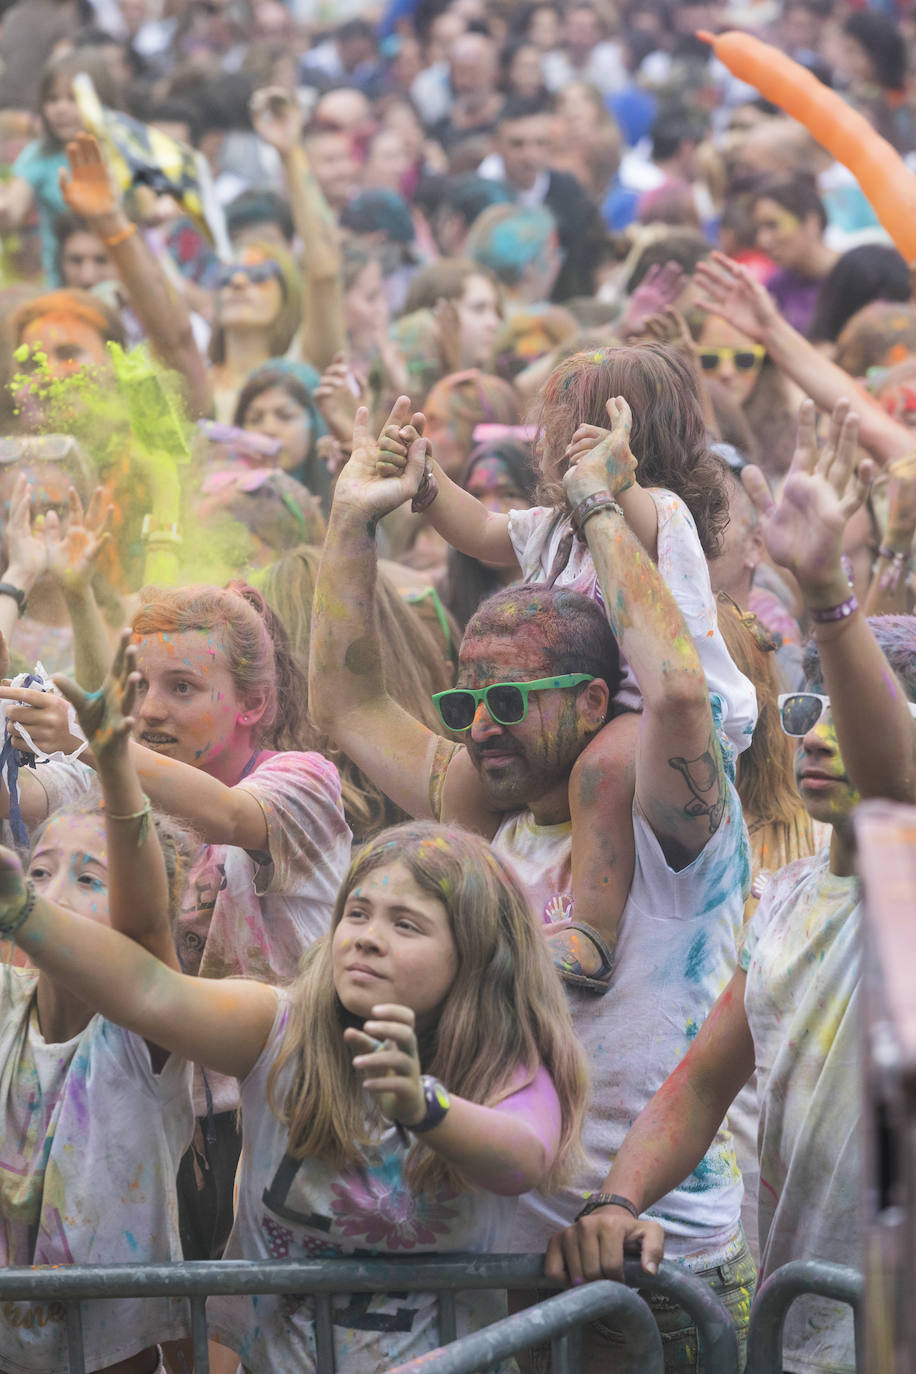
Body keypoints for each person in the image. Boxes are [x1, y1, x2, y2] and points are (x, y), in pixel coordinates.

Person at [310, 399, 755, 1363]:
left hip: (656, 1261)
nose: (479, 724)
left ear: (593, 699)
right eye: (467, 699)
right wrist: (352, 520)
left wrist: (596, 504)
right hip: (504, 1261)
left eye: (510, 699)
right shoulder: (490, 815)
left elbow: (678, 688)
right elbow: (346, 703)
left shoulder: (668, 818)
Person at [545, 399, 916, 1374]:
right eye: (809, 710)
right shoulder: (793, 896)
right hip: (800, 1328)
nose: (820, 735)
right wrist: (618, 1200)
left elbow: (897, 777)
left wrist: (832, 589)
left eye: (850, 715)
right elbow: (706, 1077)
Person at [0, 814, 588, 1372]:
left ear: (477, 955)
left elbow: (523, 1159)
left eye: (405, 924)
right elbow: (148, 993)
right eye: (356, 914)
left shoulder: (504, 1061)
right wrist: (24, 912)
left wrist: (425, 1106)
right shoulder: (277, 1031)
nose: (368, 939)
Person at [0, 580, 352, 1266]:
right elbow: (27, 800)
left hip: (283, 1111)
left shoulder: (302, 781)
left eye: (183, 688)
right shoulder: (106, 772)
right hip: (153, 1108)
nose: (152, 710)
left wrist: (97, 739)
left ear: (255, 703)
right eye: (138, 687)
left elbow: (229, 816)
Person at [385, 344, 756, 978]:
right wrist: (425, 479)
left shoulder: (654, 509)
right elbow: (477, 530)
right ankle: (475, 903)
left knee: (601, 775)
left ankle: (592, 928)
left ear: (638, 437)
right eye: (556, 430)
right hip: (564, 706)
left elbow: (628, 524)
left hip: (643, 711)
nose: (559, 445)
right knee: (468, 777)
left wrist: (614, 484)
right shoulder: (554, 525)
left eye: (576, 427)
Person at [0, 632, 194, 1374]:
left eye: (89, 879)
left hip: (114, 1359)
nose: (47, 895)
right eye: (39, 870)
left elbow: (145, 929)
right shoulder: (10, 1000)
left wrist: (112, 763)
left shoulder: (146, 1026)